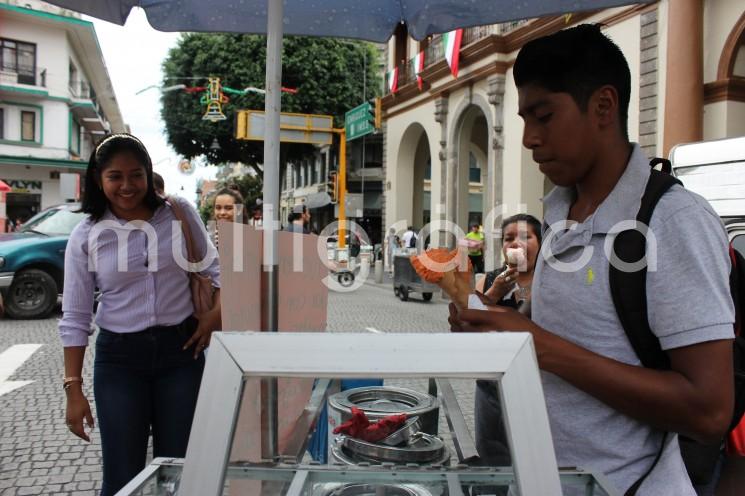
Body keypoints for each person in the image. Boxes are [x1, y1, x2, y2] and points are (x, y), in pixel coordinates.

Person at [450, 25, 734, 496]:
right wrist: (497, 322)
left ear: (603, 106)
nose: (529, 139)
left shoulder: (675, 221)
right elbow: (575, 331)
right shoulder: (559, 213)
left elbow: (709, 410)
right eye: (525, 119)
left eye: (543, 116)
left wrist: (535, 343)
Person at [59, 133, 221, 496]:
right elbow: (75, 316)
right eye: (115, 176)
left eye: (136, 174)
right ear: (99, 180)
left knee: (180, 470)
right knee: (122, 475)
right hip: (119, 362)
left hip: (181, 355)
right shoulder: (86, 236)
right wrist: (73, 389)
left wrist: (214, 317)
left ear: (148, 175)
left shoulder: (178, 213)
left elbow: (216, 269)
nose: (127, 185)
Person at [472, 213, 541, 471]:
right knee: (492, 454)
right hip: (492, 385)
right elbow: (468, 327)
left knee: (532, 455)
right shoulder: (490, 280)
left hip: (537, 382)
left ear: (540, 243)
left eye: (526, 237)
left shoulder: (552, 281)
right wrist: (494, 293)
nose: (516, 244)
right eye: (509, 238)